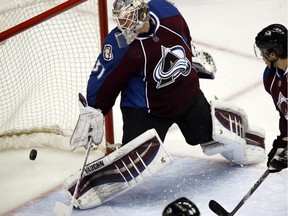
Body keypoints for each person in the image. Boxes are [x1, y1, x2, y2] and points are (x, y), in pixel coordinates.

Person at [83, 0, 265, 165]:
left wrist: (189, 55)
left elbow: (184, 36)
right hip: (147, 110)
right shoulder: (119, 45)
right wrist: (94, 108)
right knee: (137, 159)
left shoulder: (166, 13)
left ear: (142, 15)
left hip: (187, 97)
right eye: (121, 21)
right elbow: (104, 78)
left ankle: (233, 132)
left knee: (205, 137)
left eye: (129, 20)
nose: (125, 26)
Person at [254, 24, 288, 172]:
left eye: (264, 52)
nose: (262, 56)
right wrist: (284, 141)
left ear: (273, 54)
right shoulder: (270, 77)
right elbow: (284, 113)